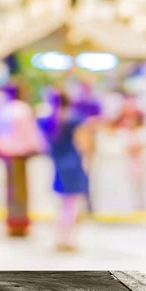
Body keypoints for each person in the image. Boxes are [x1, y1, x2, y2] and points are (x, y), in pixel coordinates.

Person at [0, 84, 47, 236]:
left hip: (6, 152)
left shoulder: (3, 109)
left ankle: (13, 223)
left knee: (11, 189)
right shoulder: (21, 109)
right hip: (19, 153)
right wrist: (38, 147)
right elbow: (30, 132)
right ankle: (19, 224)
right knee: (20, 190)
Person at [39, 93, 91, 251]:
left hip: (58, 163)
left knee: (63, 204)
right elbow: (85, 143)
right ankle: (67, 239)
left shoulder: (47, 120)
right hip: (73, 163)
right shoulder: (74, 118)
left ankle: (61, 237)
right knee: (72, 204)